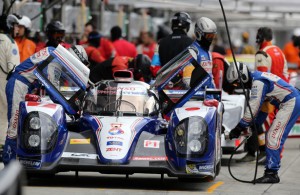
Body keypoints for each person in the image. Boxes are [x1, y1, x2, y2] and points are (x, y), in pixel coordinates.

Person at [2, 45, 88, 165]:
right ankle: (8, 164)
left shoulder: (54, 52)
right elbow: (53, 89)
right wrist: (69, 108)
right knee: (14, 127)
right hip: (19, 85)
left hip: (21, 84)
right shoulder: (56, 61)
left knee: (20, 126)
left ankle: (15, 162)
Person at [226, 62, 300, 183]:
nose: (236, 85)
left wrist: (238, 128)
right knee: (271, 135)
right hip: (289, 102)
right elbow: (264, 108)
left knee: (273, 137)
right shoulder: (257, 78)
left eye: (236, 82)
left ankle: (272, 173)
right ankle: (271, 171)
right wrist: (253, 125)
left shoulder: (258, 82)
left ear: (243, 77)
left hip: (291, 102)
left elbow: (253, 109)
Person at [239, 27, 289, 163]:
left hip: (268, 97)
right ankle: (264, 152)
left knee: (260, 123)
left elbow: (262, 77)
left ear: (260, 37)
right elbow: (286, 75)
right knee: (270, 125)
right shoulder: (280, 51)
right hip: (282, 94)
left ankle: (267, 155)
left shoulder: (262, 53)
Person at [0, 14, 20, 158]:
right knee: (5, 113)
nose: (17, 29)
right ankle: (2, 145)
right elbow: (13, 68)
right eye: (15, 26)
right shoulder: (10, 42)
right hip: (4, 82)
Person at [151, 12, 193, 78]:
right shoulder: (191, 43)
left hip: (164, 84)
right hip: (184, 84)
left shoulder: (161, 42)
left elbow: (154, 66)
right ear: (188, 26)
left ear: (172, 25)